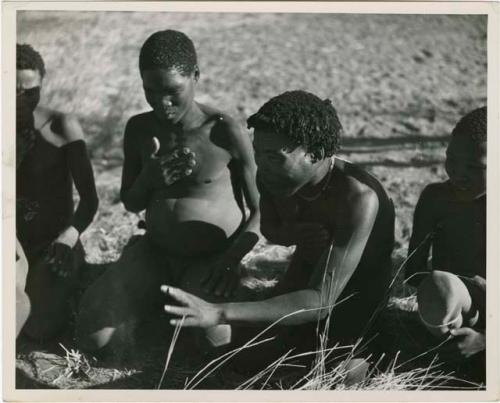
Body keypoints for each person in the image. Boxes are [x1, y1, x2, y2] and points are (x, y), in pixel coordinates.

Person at [161, 90, 395, 376]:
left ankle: (371, 348)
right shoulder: (273, 177)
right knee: (240, 356)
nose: (262, 165)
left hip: (355, 293)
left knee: (331, 373)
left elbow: (321, 300)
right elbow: (271, 228)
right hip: (306, 277)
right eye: (258, 152)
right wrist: (293, 232)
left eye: (274, 156)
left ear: (316, 154)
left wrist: (219, 311)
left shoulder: (357, 198)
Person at [76, 30, 260, 354]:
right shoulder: (139, 129)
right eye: (150, 91)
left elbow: (262, 210)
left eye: (172, 91)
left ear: (196, 76)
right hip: (156, 252)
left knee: (214, 347)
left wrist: (232, 260)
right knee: (94, 340)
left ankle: (180, 301)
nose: (162, 103)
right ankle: (158, 299)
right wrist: (148, 179)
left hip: (212, 260)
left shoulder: (224, 131)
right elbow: (131, 203)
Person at [16, 44, 99, 341]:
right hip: (11, 246)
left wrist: (68, 237)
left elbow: (90, 201)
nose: (20, 99)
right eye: (11, 89)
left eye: (30, 90)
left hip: (53, 246)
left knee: (38, 330)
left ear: (42, 82)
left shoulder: (61, 126)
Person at [405, 107, 486, 381]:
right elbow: (413, 272)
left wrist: (486, 339)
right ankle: (452, 350)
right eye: (451, 160)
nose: (458, 174)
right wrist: (455, 286)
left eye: (476, 168)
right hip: (452, 311)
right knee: (441, 287)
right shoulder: (434, 199)